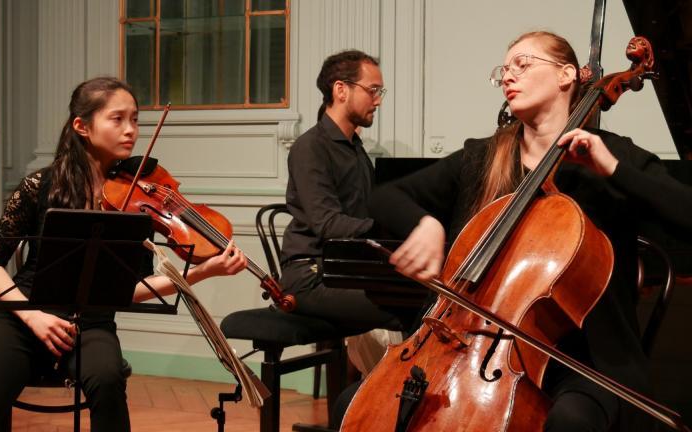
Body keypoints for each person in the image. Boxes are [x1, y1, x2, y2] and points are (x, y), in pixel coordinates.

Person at [367, 31, 692, 431]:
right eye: (503, 70)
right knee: (362, 405)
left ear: (567, 75)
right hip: (471, 352)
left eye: (522, 64)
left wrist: (614, 169)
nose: (508, 76)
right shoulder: (482, 157)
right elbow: (383, 197)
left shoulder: (612, 156)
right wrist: (425, 222)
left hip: (585, 362)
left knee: (571, 422)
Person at [0, 77, 247, 432]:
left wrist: (201, 272)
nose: (131, 131)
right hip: (24, 312)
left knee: (108, 381)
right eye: (117, 119)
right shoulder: (39, 185)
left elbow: (130, 289)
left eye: (135, 120)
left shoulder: (137, 201)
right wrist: (34, 318)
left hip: (92, 323)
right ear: (82, 126)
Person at [280, 49, 406, 332]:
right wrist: (390, 230)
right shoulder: (310, 147)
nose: (378, 100)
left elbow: (367, 210)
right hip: (311, 275)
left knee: (425, 295)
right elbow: (328, 223)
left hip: (345, 268)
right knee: (407, 305)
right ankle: (387, 377)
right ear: (341, 90)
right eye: (372, 90)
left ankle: (381, 377)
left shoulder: (356, 150)